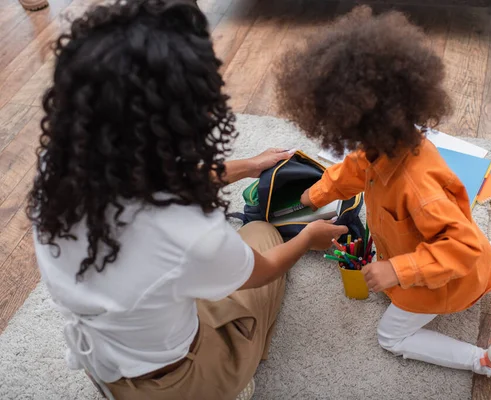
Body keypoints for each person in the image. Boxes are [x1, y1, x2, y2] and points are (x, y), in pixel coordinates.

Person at [26, 1, 347, 399]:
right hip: (176, 381)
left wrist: (248, 166)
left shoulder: (60, 164)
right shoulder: (188, 230)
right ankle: (226, 383)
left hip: (105, 363)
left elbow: (156, 180)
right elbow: (263, 271)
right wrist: (308, 238)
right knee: (264, 233)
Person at [277, 6, 491, 377]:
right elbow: (353, 169)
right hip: (442, 246)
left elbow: (458, 249)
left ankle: (486, 361)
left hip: (440, 275)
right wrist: (315, 194)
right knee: (460, 247)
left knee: (391, 337)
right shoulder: (384, 143)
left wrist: (396, 269)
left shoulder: (416, 186)